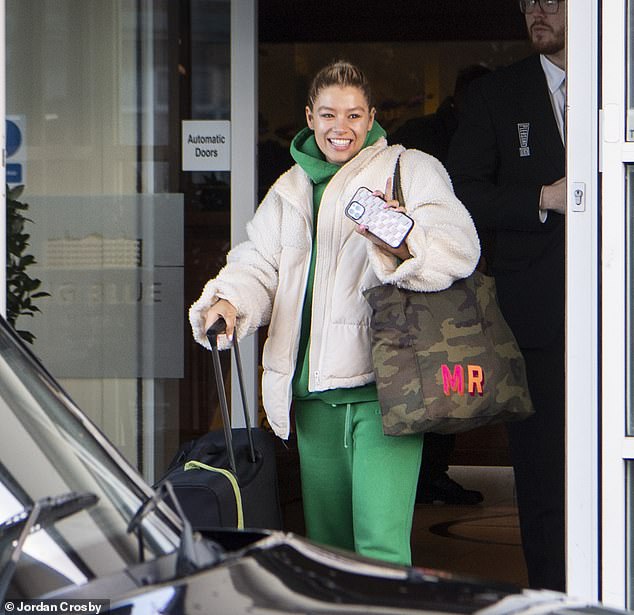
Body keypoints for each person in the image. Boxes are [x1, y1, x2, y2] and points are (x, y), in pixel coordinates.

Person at [190, 60, 480, 567]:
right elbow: (257, 262)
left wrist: (394, 231)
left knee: (380, 549)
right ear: (309, 116)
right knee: (328, 553)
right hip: (311, 394)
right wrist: (229, 302)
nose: (340, 128)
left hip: (386, 389)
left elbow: (458, 248)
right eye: (328, 114)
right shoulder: (289, 188)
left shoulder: (409, 168)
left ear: (371, 118)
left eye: (352, 115)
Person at [446, 0, 566, 591]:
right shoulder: (499, 94)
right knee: (543, 476)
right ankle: (551, 596)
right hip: (534, 321)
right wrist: (541, 198)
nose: (537, 11)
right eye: (528, 2)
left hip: (617, 317)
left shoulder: (621, 79)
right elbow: (461, 195)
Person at [392, 64, 492, 507]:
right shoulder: (423, 141)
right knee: (428, 377)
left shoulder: (467, 130)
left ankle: (433, 473)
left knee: (451, 379)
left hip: (461, 264)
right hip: (416, 272)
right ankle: (424, 475)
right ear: (458, 97)